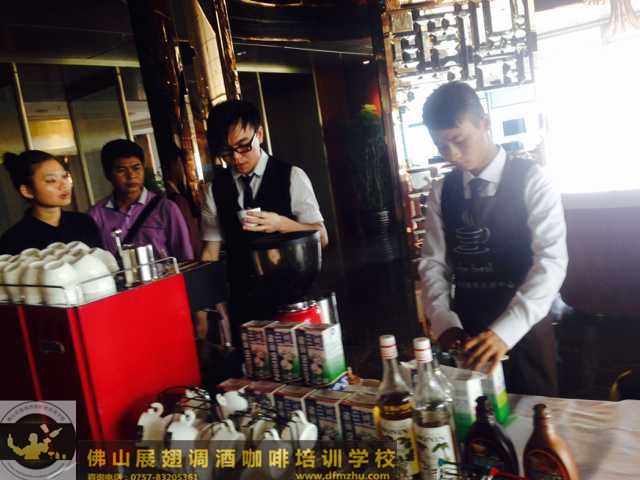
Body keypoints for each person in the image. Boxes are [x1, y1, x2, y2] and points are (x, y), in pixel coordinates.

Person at [418, 82, 567, 396]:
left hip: (525, 329)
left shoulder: (532, 179)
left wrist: (506, 331)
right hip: (466, 331)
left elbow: (551, 262)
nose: (452, 154)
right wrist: (444, 322)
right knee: (473, 418)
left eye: (459, 140)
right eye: (441, 145)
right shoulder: (443, 191)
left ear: (484, 123)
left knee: (535, 414)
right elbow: (433, 264)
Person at [200, 99, 327, 349]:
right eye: (226, 152)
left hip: (292, 301)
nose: (236, 158)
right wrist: (204, 307)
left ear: (259, 134)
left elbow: (321, 236)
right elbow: (210, 253)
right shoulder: (214, 189)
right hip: (244, 304)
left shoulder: (292, 176)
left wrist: (282, 223)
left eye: (243, 146)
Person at [88, 139, 194, 261]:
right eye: (121, 170)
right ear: (108, 174)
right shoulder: (96, 216)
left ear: (143, 169)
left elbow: (185, 257)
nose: (131, 176)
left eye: (136, 168)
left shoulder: (166, 209)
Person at [0, 150, 102, 255]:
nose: (64, 185)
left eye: (65, 176)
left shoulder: (83, 222)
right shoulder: (13, 240)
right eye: (51, 180)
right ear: (27, 191)